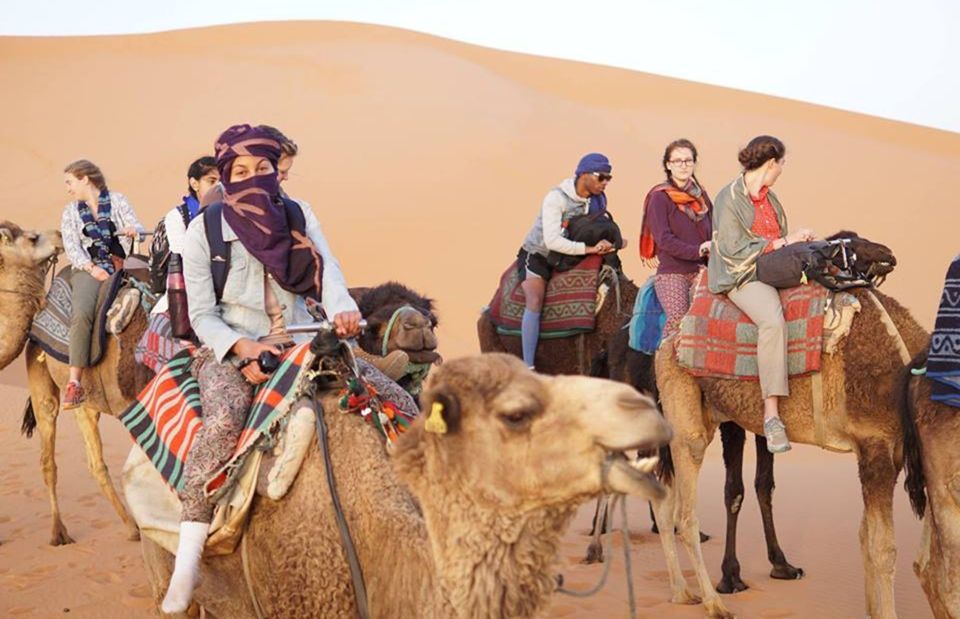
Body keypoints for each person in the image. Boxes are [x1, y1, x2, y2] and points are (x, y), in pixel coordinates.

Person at [161, 124, 364, 613]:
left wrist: (342, 306)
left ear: (277, 171)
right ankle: (187, 558)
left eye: (264, 168)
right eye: (241, 170)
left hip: (300, 338)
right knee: (225, 421)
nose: (253, 178)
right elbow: (203, 315)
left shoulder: (298, 214)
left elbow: (328, 270)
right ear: (226, 174)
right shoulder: (202, 229)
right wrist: (241, 349)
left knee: (388, 401)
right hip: (228, 345)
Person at [708, 136, 815, 453]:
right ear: (771, 163)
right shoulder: (728, 198)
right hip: (741, 274)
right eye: (781, 164)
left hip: (771, 266)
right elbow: (732, 249)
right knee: (772, 321)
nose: (782, 170)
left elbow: (780, 237)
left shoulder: (771, 199)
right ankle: (771, 416)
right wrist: (783, 243)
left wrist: (795, 242)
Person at [517, 153, 618, 369]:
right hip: (539, 256)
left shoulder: (597, 200)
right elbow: (552, 241)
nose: (605, 183)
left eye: (608, 178)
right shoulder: (557, 198)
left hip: (572, 256)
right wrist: (590, 248)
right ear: (584, 175)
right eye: (601, 177)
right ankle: (528, 366)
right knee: (534, 300)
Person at [60, 159, 145, 408]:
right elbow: (72, 248)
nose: (68, 188)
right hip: (88, 268)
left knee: (155, 298)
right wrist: (92, 269)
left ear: (85, 178)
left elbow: (136, 225)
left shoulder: (118, 201)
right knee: (83, 313)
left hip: (122, 263)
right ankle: (75, 382)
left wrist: (132, 229)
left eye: (70, 182)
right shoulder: (71, 212)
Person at [638, 139, 713, 338]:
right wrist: (698, 250)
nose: (683, 165)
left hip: (703, 270)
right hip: (673, 272)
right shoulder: (659, 197)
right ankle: (666, 367)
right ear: (668, 165)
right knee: (678, 321)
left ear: (694, 163)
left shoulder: (701, 196)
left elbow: (715, 227)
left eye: (688, 161)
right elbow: (664, 239)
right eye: (678, 161)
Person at [150, 156, 219, 315]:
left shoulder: (231, 213)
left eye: (222, 182)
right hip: (190, 287)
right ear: (194, 184)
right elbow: (185, 254)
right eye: (212, 181)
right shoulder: (177, 217)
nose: (219, 187)